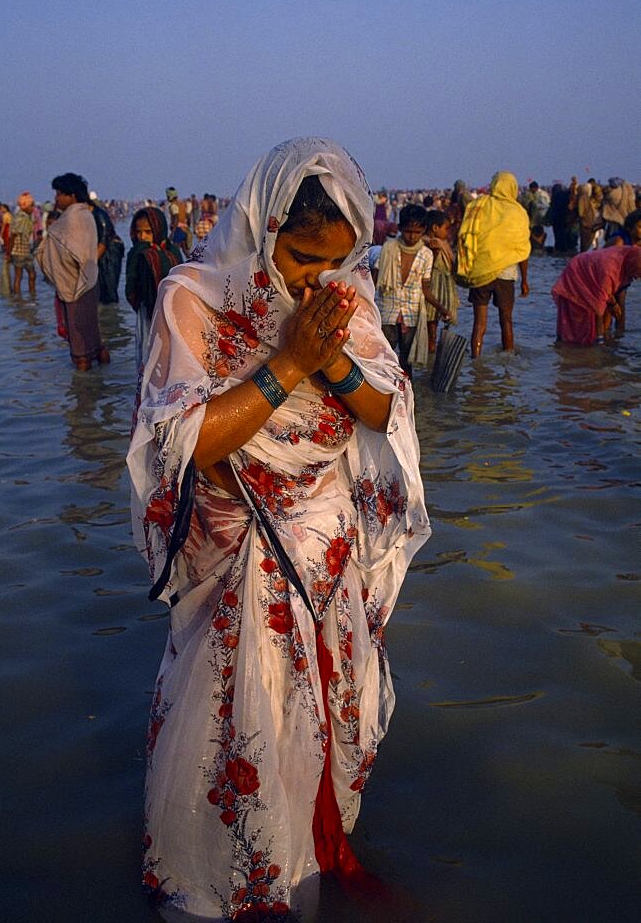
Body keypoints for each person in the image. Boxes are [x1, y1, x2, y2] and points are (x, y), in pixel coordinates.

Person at [127, 137, 431, 920]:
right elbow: (187, 437)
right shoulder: (192, 297)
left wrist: (330, 361)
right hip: (242, 546)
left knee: (323, 712)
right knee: (245, 709)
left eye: (331, 262)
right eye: (298, 257)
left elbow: (384, 409)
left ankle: (321, 855)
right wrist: (290, 363)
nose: (312, 280)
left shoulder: (345, 298)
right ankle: (225, 881)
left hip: (325, 545)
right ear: (261, 228)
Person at [36, 172, 110, 370]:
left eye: (60, 193)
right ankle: (105, 387)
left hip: (74, 285)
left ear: (73, 195)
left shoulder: (72, 219)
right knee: (94, 335)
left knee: (80, 347)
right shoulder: (85, 215)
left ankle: (83, 394)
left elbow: (70, 252)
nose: (56, 198)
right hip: (88, 281)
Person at [457, 171, 530, 357]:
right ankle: (509, 362)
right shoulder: (518, 212)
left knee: (479, 323)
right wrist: (524, 280)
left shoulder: (479, 205)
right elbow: (522, 250)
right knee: (506, 320)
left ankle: (476, 362)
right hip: (506, 276)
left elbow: (468, 237)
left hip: (480, 272)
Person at [376, 204, 450, 372]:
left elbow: (426, 289)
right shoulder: (388, 249)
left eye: (417, 232)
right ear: (401, 228)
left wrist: (442, 309)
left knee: (406, 360)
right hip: (387, 309)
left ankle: (406, 394)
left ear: (423, 230)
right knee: (382, 357)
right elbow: (375, 281)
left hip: (412, 312)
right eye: (408, 231)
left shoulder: (426, 255)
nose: (412, 236)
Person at [125, 206, 183, 370]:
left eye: (147, 232)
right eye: (138, 232)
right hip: (147, 315)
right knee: (148, 357)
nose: (142, 237)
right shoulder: (138, 255)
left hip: (172, 315)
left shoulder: (172, 252)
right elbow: (131, 289)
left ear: (158, 230)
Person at [552, 246, 641, 344]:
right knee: (579, 321)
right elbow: (598, 306)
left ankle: (606, 336)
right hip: (578, 273)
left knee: (610, 312)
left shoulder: (627, 261)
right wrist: (600, 341)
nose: (637, 278)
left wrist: (620, 334)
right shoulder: (610, 269)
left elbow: (621, 303)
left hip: (596, 274)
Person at [424, 209, 458, 353]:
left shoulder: (440, 243)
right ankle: (431, 352)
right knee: (431, 324)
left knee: (434, 324)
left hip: (441, 287)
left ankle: (432, 354)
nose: (447, 233)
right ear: (435, 228)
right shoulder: (432, 243)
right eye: (446, 229)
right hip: (432, 287)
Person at [90, 196, 124, 304]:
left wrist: (91, 262)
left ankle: (111, 317)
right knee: (102, 289)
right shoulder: (91, 215)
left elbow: (104, 239)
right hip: (103, 253)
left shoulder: (98, 214)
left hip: (110, 253)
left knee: (109, 288)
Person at [7, 191, 37, 295]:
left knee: (32, 274)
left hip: (26, 250)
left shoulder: (27, 216)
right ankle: (18, 300)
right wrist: (8, 253)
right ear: (25, 206)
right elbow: (12, 237)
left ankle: (32, 296)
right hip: (18, 251)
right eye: (31, 206)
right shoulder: (20, 218)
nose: (33, 208)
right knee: (19, 276)